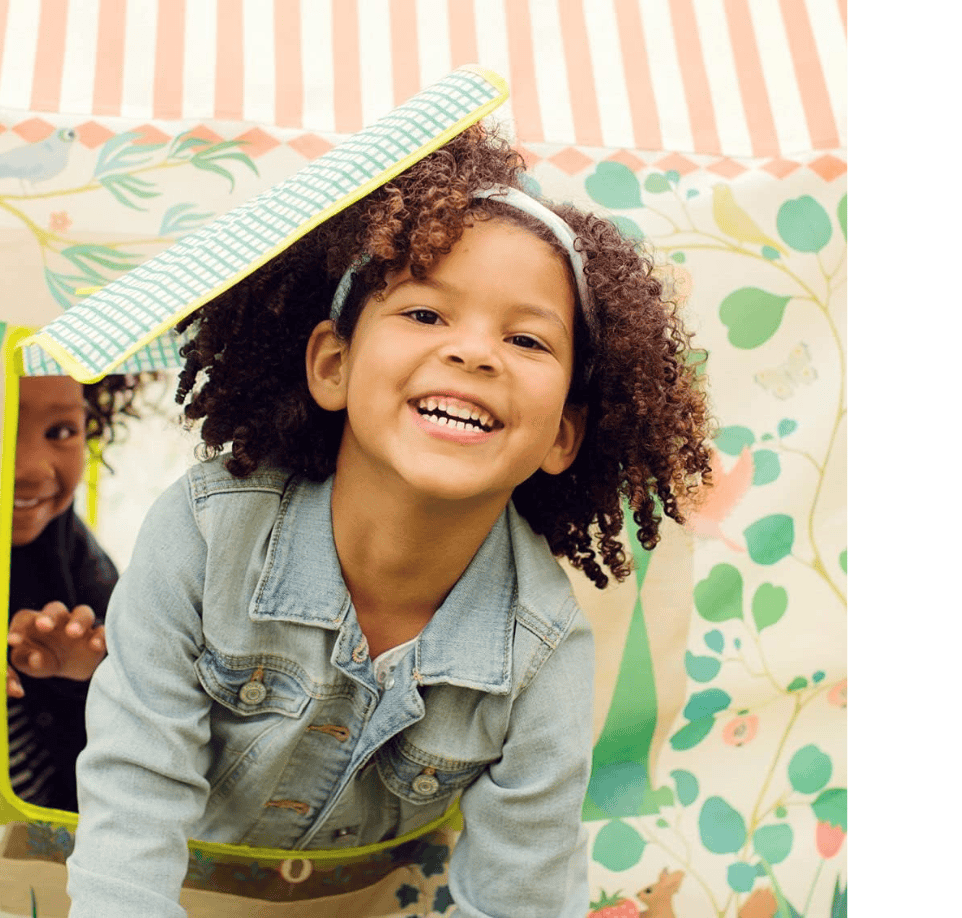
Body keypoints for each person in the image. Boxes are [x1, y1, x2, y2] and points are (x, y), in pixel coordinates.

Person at [65, 123, 713, 917]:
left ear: (562, 436)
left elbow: (524, 892)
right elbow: (134, 798)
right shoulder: (204, 534)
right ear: (334, 365)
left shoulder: (542, 651)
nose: (476, 353)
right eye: (426, 315)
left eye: (525, 338)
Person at [3, 372, 150, 812]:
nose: (31, 468)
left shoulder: (69, 543)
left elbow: (137, 681)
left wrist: (83, 670)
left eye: (61, 432)